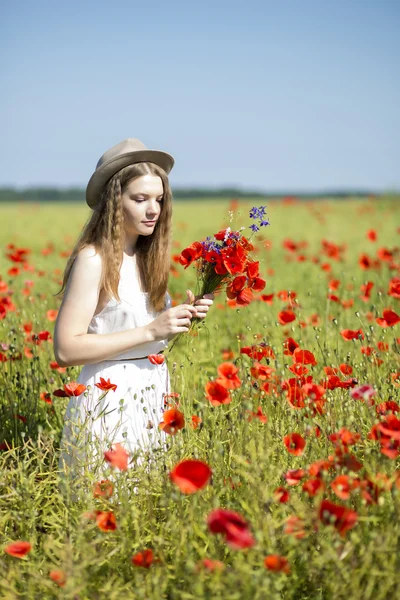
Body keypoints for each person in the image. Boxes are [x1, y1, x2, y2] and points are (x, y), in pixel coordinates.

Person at [54, 138, 214, 496]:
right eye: (139, 199)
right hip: (108, 401)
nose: (153, 209)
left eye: (158, 199)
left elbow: (144, 336)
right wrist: (150, 329)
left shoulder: (147, 258)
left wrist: (182, 317)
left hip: (152, 393)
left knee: (149, 507)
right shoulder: (93, 260)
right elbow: (65, 349)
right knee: (107, 508)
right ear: (114, 201)